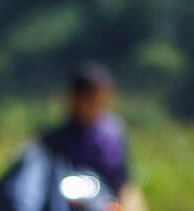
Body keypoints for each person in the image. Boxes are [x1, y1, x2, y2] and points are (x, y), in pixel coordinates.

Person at [43, 62, 129, 196]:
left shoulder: (115, 131)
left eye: (101, 96)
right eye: (90, 96)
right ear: (75, 98)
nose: (97, 102)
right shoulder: (54, 139)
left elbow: (124, 179)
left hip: (112, 201)